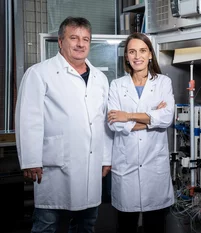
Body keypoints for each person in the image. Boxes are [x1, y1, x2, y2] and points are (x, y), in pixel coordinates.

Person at [15, 16, 113, 233]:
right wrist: (31, 160)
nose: (80, 44)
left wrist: (106, 158)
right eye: (74, 38)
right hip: (54, 164)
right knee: (47, 223)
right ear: (60, 41)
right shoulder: (40, 73)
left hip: (90, 164)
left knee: (86, 223)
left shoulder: (99, 78)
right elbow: (28, 119)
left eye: (85, 39)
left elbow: (103, 122)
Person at [107, 32, 175, 233]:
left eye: (143, 51)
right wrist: (152, 117)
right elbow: (113, 123)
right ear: (126, 56)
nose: (138, 56)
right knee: (126, 226)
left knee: (155, 226)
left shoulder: (163, 82)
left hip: (154, 168)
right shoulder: (117, 85)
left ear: (151, 55)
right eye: (132, 51)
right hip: (126, 168)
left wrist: (127, 115)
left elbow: (167, 118)